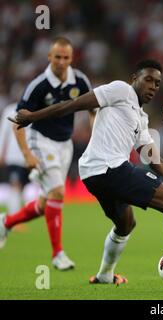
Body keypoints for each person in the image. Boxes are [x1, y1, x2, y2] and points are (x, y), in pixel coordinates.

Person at [10, 59, 163, 287]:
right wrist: (33, 116)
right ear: (134, 79)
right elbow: (74, 104)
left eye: (157, 83)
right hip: (109, 167)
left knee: (125, 225)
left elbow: (156, 161)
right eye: (148, 79)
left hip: (94, 174)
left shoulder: (141, 119)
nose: (152, 86)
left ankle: (104, 275)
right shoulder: (120, 90)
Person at [0, 37, 93, 270]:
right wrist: (27, 154)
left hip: (65, 144)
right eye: (57, 57)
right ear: (49, 57)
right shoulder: (38, 85)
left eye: (66, 57)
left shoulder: (80, 80)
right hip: (40, 141)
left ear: (72, 58)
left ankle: (6, 222)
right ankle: (58, 254)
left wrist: (96, 134)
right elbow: (17, 122)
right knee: (58, 193)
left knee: (45, 203)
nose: (62, 62)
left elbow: (94, 109)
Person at [0, 103, 30, 217]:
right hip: (13, 155)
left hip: (27, 155)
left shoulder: (33, 108)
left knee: (21, 186)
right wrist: (1, 152)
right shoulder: (10, 109)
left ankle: (16, 215)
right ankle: (13, 217)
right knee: (15, 184)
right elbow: (4, 131)